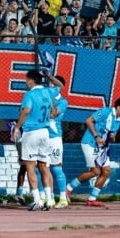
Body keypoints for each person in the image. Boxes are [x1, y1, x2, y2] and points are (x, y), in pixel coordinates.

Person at [74, 97, 120, 207]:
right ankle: (69, 188)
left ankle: (91, 199)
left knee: (106, 171)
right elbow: (88, 120)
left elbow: (111, 135)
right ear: (118, 107)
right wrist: (96, 136)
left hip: (102, 148)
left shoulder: (118, 120)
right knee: (95, 171)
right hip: (90, 142)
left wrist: (112, 137)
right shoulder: (105, 112)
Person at [11, 69, 54, 210]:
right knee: (44, 166)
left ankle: (37, 200)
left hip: (31, 132)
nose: (25, 82)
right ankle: (49, 199)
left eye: (26, 80)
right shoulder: (48, 92)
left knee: (30, 166)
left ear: (31, 80)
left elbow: (26, 110)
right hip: (45, 132)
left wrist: (17, 127)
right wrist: (50, 76)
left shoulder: (29, 94)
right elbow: (60, 87)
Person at [44, 71, 71, 208]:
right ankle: (48, 198)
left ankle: (62, 197)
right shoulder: (44, 96)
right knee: (43, 168)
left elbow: (54, 114)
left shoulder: (62, 101)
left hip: (54, 138)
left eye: (51, 83)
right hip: (42, 137)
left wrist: (50, 101)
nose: (49, 85)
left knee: (57, 168)